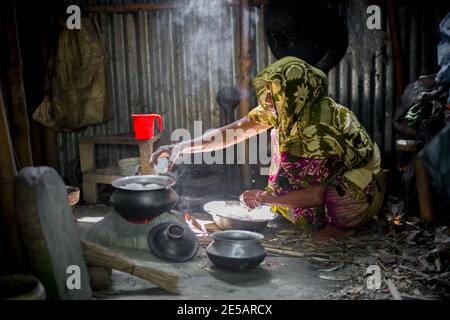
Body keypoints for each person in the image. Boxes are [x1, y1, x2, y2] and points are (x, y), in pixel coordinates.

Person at [150, 56, 385, 242]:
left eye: (276, 94)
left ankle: (341, 225)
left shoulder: (318, 126)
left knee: (325, 197)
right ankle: (301, 209)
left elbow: (315, 195)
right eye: (268, 93)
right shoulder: (288, 108)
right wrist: (181, 146)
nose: (268, 101)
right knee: (278, 134)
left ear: (295, 92)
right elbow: (232, 133)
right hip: (324, 177)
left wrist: (265, 197)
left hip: (358, 186)